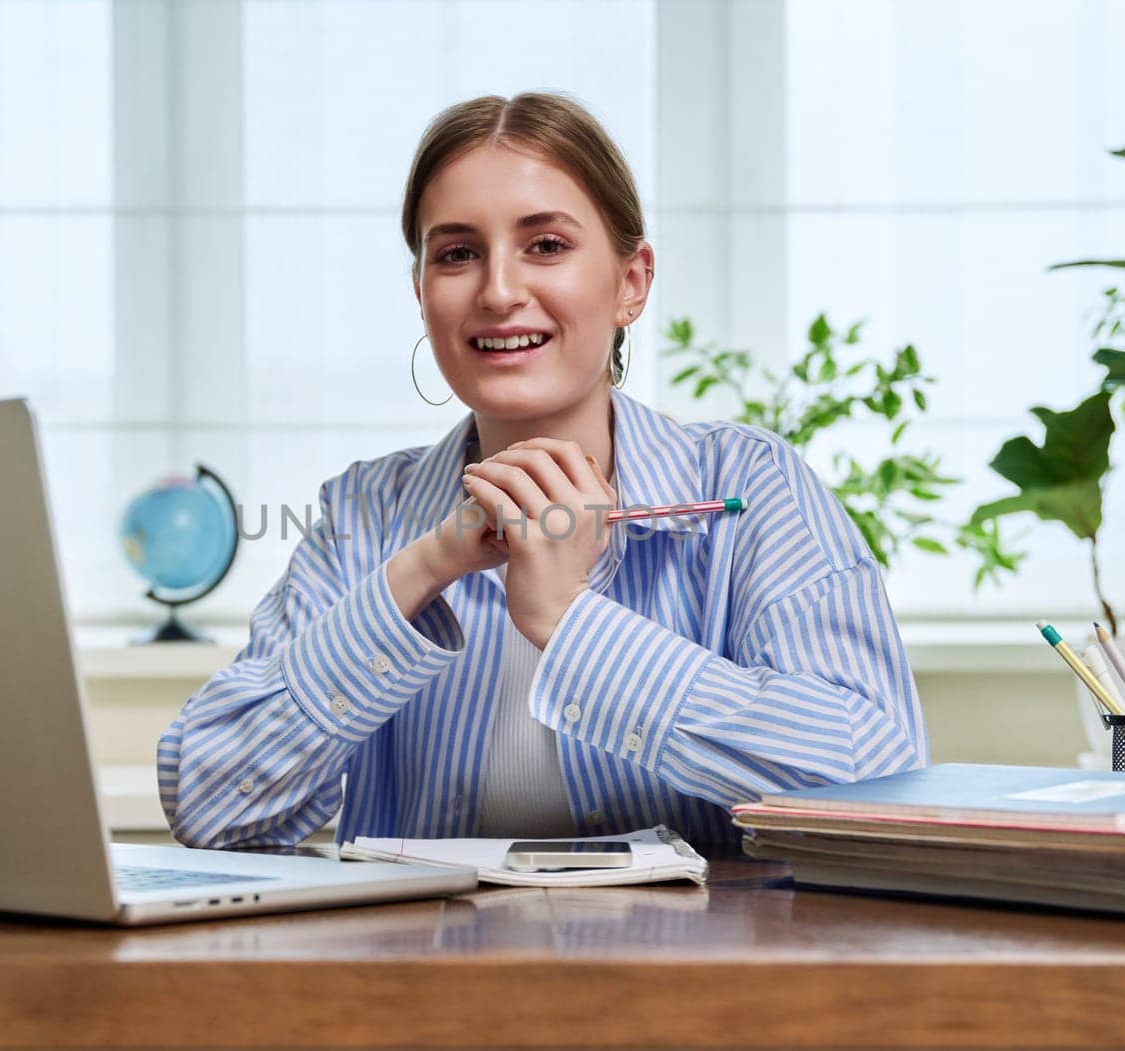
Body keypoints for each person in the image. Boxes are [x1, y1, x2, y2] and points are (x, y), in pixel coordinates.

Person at [157, 92, 927, 857]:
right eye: (457, 254)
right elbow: (213, 805)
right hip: (419, 978)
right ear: (423, 292)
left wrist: (570, 621)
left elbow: (876, 778)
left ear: (632, 282)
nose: (497, 291)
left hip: (694, 976)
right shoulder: (366, 512)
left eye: (546, 246)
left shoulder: (751, 486)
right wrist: (425, 565)